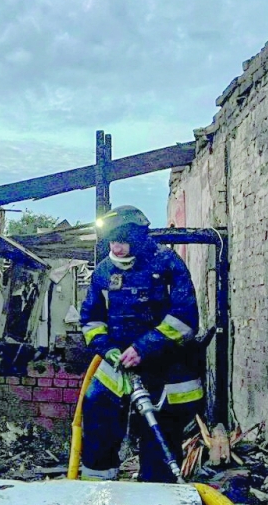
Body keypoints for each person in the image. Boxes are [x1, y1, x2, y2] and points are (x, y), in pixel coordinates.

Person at [78, 205, 204, 483]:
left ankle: (157, 494)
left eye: (122, 241)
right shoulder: (104, 272)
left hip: (168, 369)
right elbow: (90, 319)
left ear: (137, 238)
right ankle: (95, 489)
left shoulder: (167, 263)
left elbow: (184, 319)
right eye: (112, 241)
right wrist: (107, 348)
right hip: (118, 365)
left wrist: (143, 348)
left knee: (160, 432)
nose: (117, 248)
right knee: (97, 408)